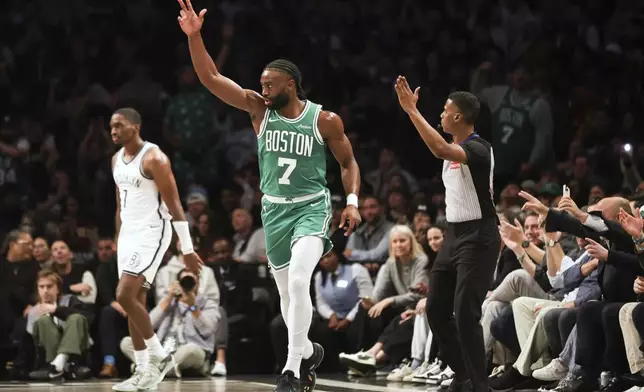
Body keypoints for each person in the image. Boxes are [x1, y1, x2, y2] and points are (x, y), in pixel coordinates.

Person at [176, 1, 362, 390]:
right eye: (261, 85)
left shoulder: (323, 120)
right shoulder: (259, 112)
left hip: (311, 208)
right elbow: (210, 77)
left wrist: (353, 201)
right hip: (274, 211)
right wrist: (195, 37)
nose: (262, 90)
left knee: (298, 282)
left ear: (290, 85)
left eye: (269, 85)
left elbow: (348, 164)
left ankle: (293, 369)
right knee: (286, 296)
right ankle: (309, 351)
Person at [394, 77, 501, 392]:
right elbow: (439, 148)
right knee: (436, 308)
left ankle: (479, 385)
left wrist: (412, 112)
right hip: (454, 235)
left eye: (444, 110)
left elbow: (440, 149)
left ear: (458, 117)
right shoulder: (454, 148)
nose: (440, 115)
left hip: (479, 235)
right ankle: (463, 373)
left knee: (466, 312)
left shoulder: (479, 148)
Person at [110, 107, 204, 392]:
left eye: (119, 126)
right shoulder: (116, 159)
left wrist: (186, 248)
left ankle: (159, 356)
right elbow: (120, 205)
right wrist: (118, 238)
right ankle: (142, 371)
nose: (113, 131)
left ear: (135, 127)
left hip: (153, 232)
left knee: (124, 294)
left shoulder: (155, 158)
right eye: (111, 127)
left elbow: (175, 205)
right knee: (134, 300)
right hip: (129, 234)